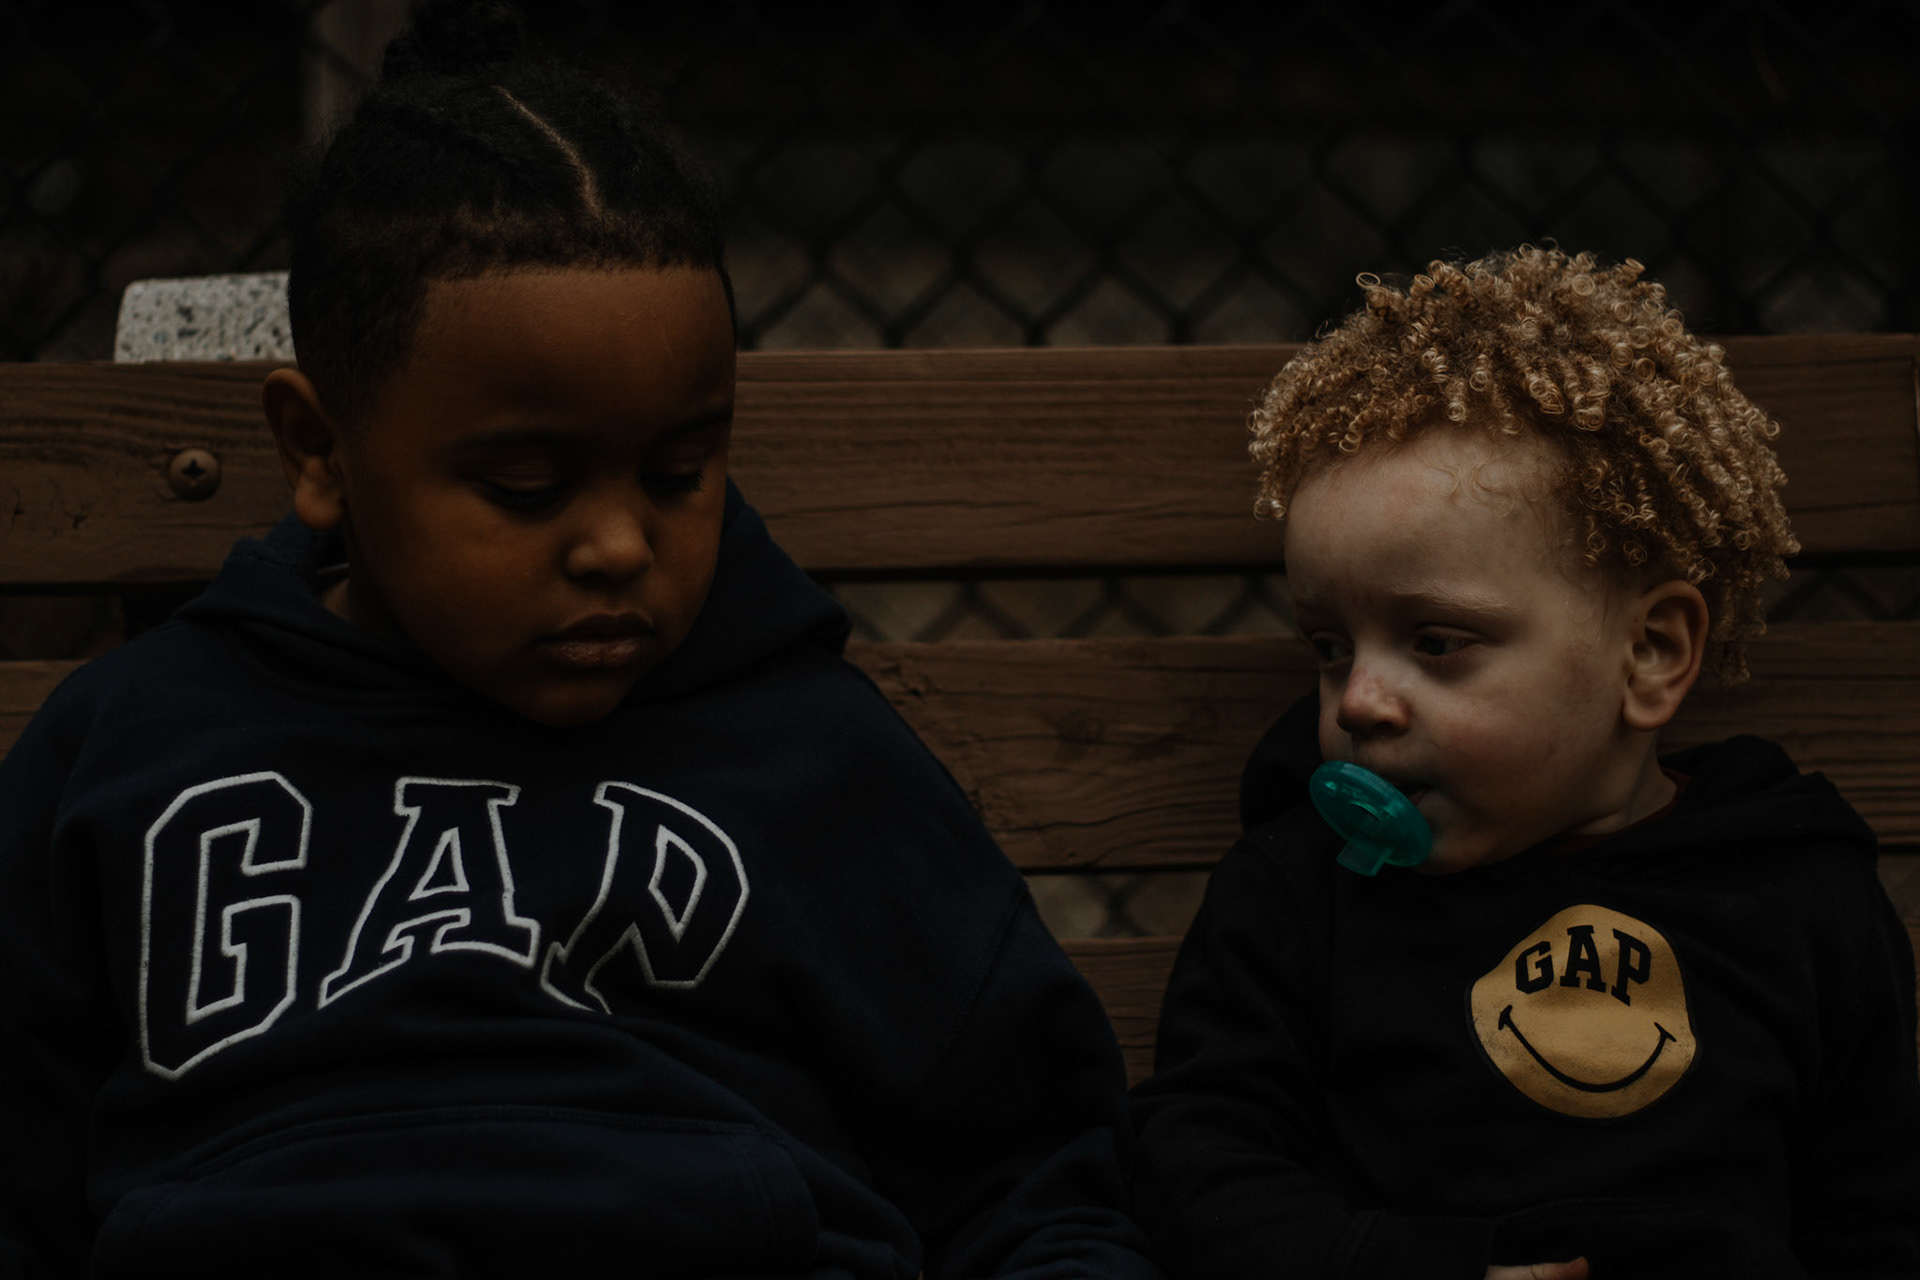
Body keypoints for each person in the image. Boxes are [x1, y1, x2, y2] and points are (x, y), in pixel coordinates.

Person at [0, 4, 1160, 1276]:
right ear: (320, 451)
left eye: (678, 473)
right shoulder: (132, 746)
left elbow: (1035, 1178)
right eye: (529, 486)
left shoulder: (815, 758)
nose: (618, 545)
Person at [1129, 246, 1920, 1280]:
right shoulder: (1300, 895)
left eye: (1436, 642)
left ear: (1650, 654)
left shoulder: (1794, 890)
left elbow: (1870, 1211)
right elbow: (1196, 1166)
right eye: (1330, 646)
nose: (1357, 700)